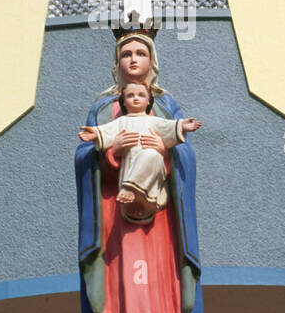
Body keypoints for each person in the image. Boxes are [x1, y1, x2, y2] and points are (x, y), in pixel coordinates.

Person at [74, 30, 210, 313]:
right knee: (122, 290)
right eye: (126, 54)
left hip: (160, 223)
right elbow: (84, 157)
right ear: (117, 63)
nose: (133, 60)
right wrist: (111, 149)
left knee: (158, 288)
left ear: (152, 62)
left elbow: (186, 157)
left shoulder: (166, 107)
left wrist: (163, 149)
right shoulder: (104, 110)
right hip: (117, 222)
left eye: (140, 53)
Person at [77, 81, 202, 222]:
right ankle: (139, 194)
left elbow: (169, 127)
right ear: (123, 101)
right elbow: (106, 131)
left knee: (152, 155)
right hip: (129, 168)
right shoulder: (121, 122)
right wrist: (94, 134)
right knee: (147, 157)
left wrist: (182, 125)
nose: (136, 98)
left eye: (141, 95)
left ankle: (131, 189)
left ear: (149, 100)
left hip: (153, 169)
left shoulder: (154, 121)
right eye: (130, 95)